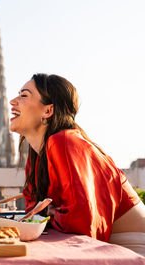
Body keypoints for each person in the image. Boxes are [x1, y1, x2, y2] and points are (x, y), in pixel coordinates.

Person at [9, 73, 145, 255]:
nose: (12, 101)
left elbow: (81, 224)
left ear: (47, 111)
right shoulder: (37, 155)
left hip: (132, 250)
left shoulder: (64, 141)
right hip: (103, 248)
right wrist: (50, 214)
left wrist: (49, 215)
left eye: (24, 96)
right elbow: (33, 212)